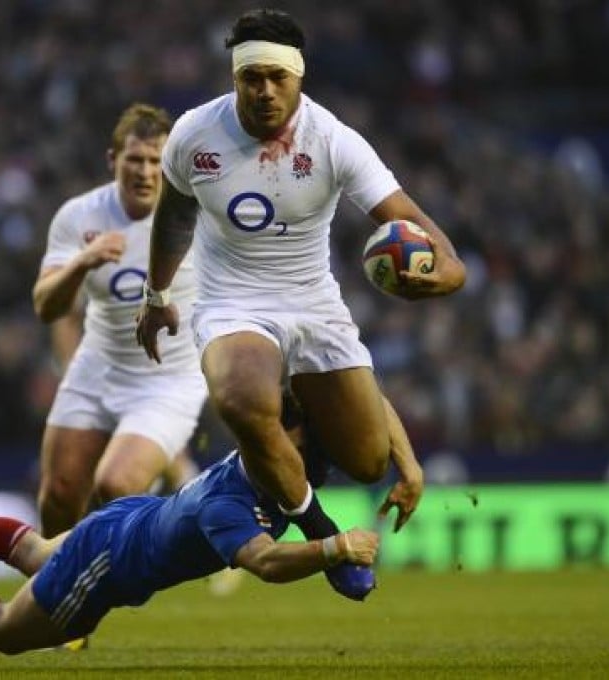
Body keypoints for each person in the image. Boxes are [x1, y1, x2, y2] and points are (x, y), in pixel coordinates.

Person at [135, 9, 462, 574]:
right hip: (230, 302)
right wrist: (156, 295)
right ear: (234, 77)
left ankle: (292, 431)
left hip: (312, 305)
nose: (263, 91)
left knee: (366, 461)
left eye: (276, 78)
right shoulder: (194, 135)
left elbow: (423, 230)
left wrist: (445, 278)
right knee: (239, 397)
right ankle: (323, 534)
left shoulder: (334, 141)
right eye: (250, 77)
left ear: (299, 77)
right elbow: (172, 220)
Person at [0, 396, 423, 654]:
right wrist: (336, 547)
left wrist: (400, 462)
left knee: (35, 551)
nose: (309, 456)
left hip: (124, 520)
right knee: (7, 631)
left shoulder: (260, 467)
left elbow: (358, 401)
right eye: (302, 444)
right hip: (110, 563)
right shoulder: (233, 508)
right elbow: (264, 562)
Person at [32, 103, 208, 538]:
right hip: (98, 368)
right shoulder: (80, 216)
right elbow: (46, 307)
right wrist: (81, 263)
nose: (146, 172)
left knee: (116, 484)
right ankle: (51, 601)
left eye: (156, 161)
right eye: (135, 159)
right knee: (58, 494)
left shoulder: (201, 215)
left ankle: (136, 570)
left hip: (169, 381)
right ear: (113, 161)